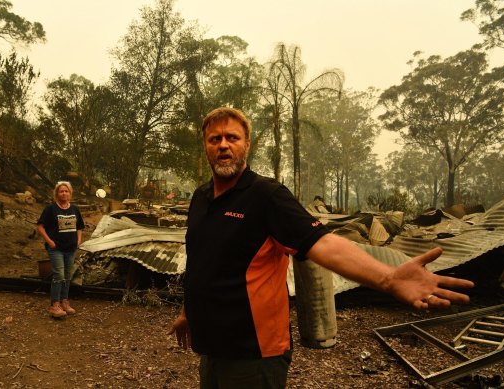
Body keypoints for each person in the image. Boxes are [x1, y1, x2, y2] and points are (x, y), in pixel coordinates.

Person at [168, 107, 474, 389]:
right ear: (206, 147)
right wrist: (187, 312)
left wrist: (389, 278)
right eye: (215, 139)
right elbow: (201, 262)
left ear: (247, 145)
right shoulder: (201, 198)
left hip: (253, 354)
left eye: (232, 137)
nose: (223, 145)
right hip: (211, 349)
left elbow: (322, 243)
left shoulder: (266, 196)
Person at [37, 181, 85, 318]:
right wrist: (50, 242)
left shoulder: (75, 209)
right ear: (57, 193)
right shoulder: (51, 209)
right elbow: (40, 226)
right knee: (59, 275)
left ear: (70, 193)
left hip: (70, 248)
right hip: (56, 248)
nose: (64, 193)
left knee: (67, 276)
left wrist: (78, 239)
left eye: (66, 191)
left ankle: (65, 302)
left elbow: (80, 227)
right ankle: (55, 305)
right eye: (61, 191)